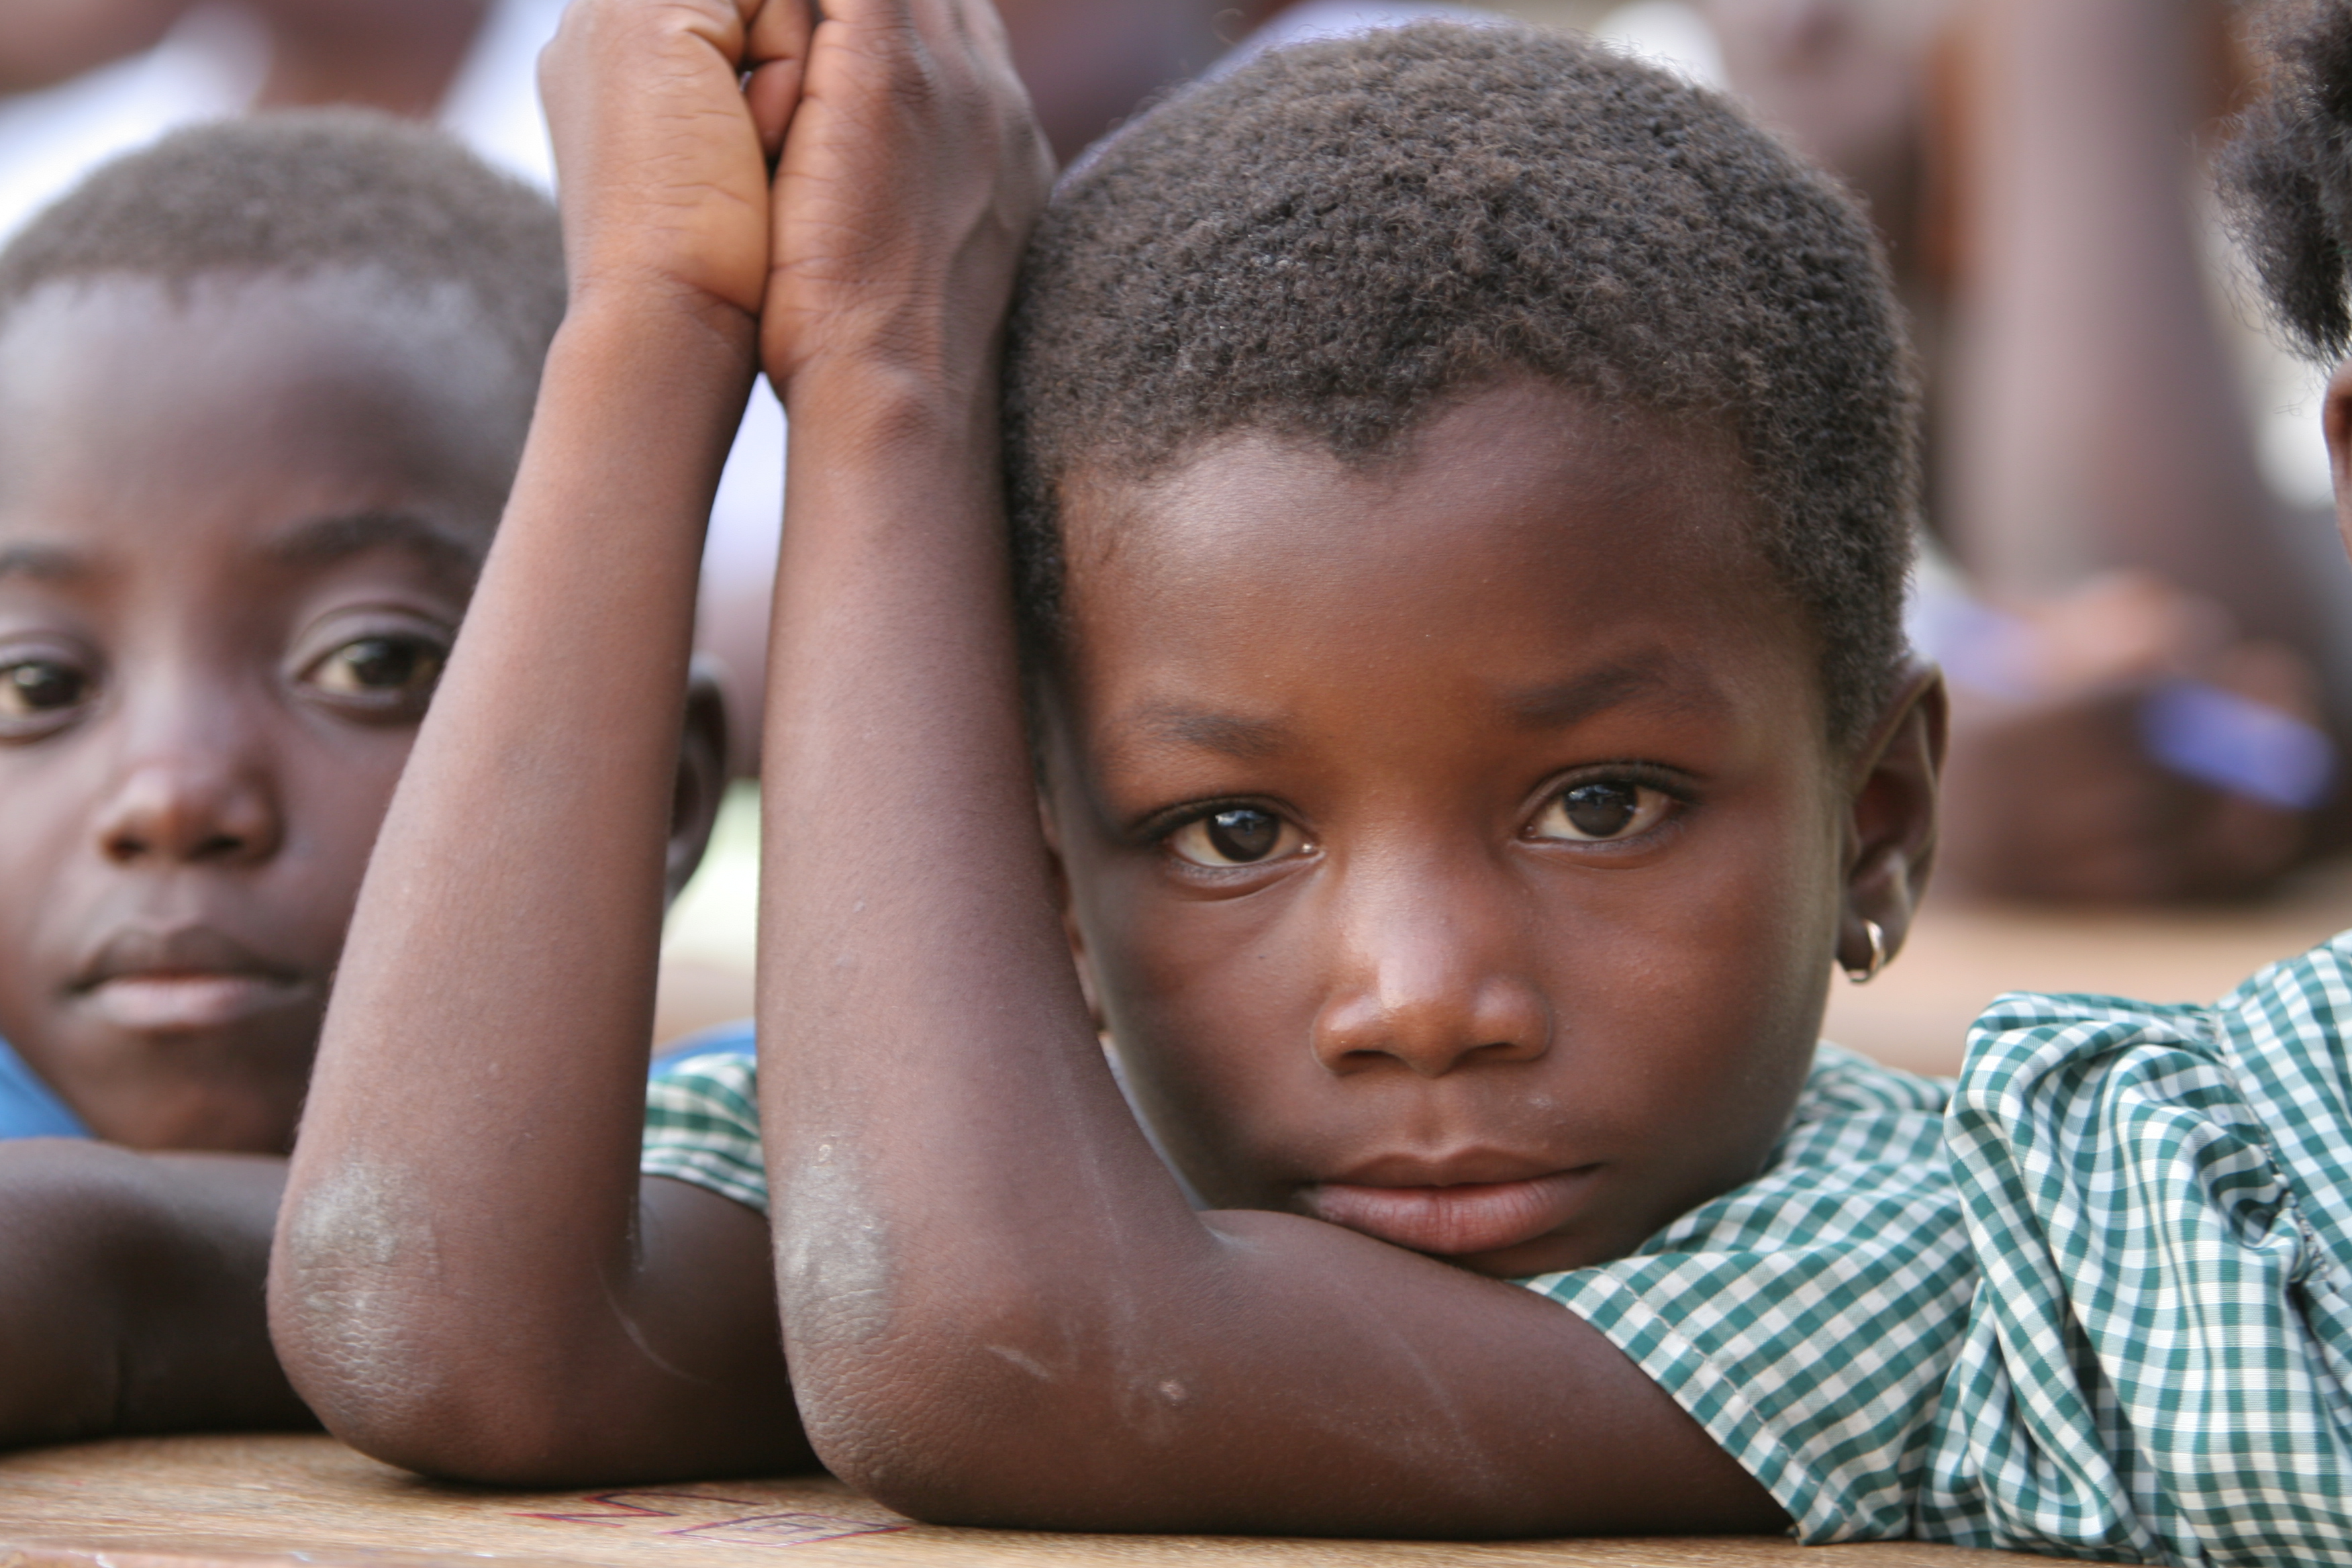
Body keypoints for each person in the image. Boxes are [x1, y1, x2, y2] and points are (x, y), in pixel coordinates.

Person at [276, 0, 1959, 1540]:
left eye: (1603, 805)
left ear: (1873, 822)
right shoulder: (1026, 1141)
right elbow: (435, 1324)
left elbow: (990, 1346)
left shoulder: (1940, 1258)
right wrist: (649, 318)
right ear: (1043, 879)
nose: (1423, 998)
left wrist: (887, 375)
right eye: (1233, 830)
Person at [0, 111, 727, 1447]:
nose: (171, 796)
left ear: (667, 796)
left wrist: (105, 1258)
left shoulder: (761, 1154)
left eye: (371, 660)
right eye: (35, 688)